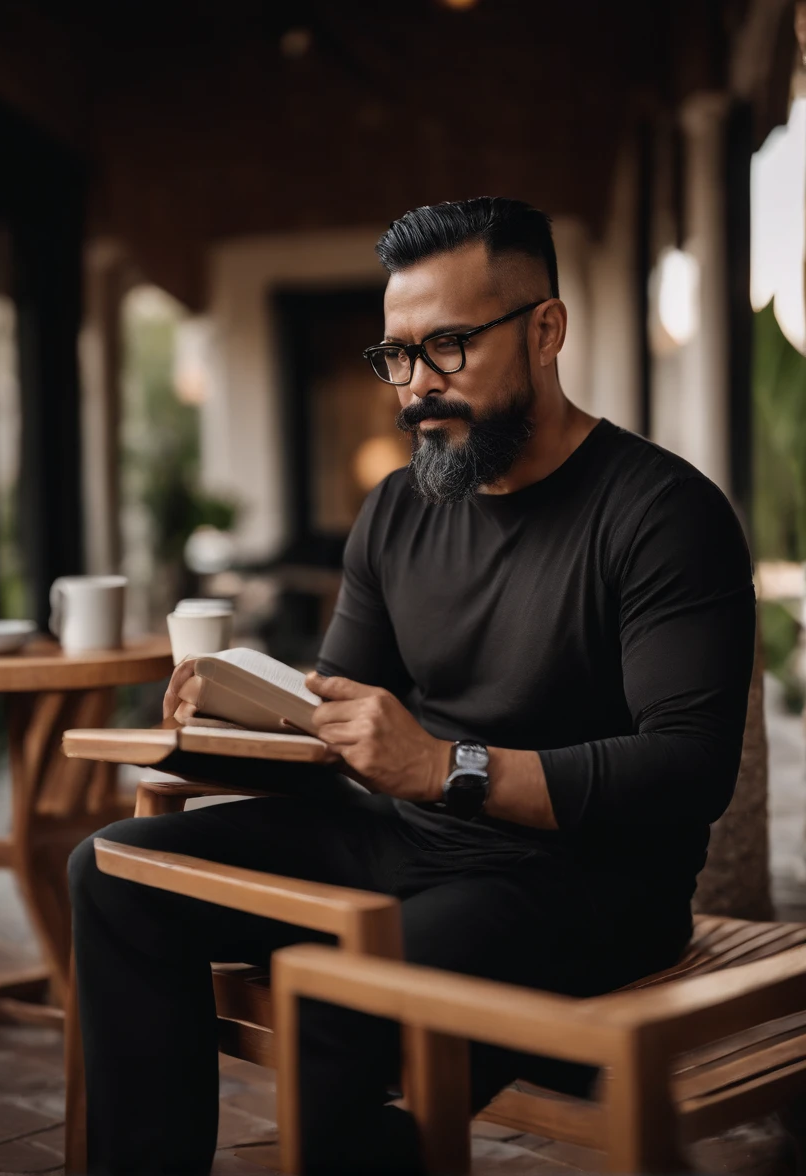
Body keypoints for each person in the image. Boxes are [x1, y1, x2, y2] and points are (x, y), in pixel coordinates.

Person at [69, 197, 755, 1175]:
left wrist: (443, 768)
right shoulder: (397, 508)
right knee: (115, 873)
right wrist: (233, 714)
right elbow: (341, 718)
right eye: (395, 355)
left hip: (584, 883)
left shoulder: (662, 513)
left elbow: (687, 773)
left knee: (335, 998)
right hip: (403, 840)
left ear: (546, 330)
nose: (414, 388)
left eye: (448, 348)